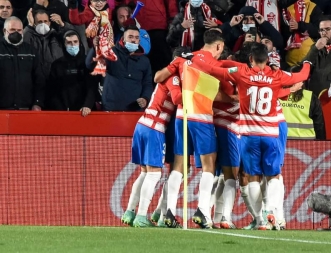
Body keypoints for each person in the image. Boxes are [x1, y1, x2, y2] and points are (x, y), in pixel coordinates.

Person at [191, 43, 311, 230]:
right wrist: (308, 63)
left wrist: (194, 59)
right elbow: (302, 76)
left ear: (250, 59)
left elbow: (213, 69)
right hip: (271, 133)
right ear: (268, 60)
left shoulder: (241, 73)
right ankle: (272, 211)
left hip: (248, 135)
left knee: (252, 177)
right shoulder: (276, 75)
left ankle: (263, 220)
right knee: (273, 176)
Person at [154, 29, 226, 229]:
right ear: (218, 46)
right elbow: (220, 93)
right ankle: (203, 212)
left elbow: (159, 77)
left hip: (181, 116)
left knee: (179, 164)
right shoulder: (214, 63)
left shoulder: (183, 59)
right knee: (208, 164)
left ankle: (168, 212)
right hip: (201, 116)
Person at [120, 46, 185, 228]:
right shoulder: (174, 78)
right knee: (154, 174)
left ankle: (130, 212)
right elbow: (178, 98)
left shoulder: (165, 76)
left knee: (144, 173)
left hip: (143, 124)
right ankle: (141, 216)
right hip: (154, 128)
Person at [86, 25, 153, 111]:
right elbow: (90, 65)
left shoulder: (145, 61)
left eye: (136, 38)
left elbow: (147, 83)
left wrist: (145, 98)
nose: (133, 40)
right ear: (123, 39)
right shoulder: (111, 53)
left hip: (134, 111)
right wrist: (94, 49)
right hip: (111, 109)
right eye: (130, 37)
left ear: (139, 41)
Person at [46, 30, 96, 115]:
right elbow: (53, 90)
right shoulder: (56, 65)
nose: (73, 45)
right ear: (64, 45)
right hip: (63, 113)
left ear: (80, 43)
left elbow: (92, 87)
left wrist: (87, 105)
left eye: (75, 42)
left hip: (86, 111)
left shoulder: (88, 62)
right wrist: (60, 110)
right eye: (69, 42)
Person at [0, 16, 45, 110]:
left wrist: (38, 102)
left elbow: (39, 79)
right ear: (4, 31)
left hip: (25, 108)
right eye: (12, 29)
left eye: (19, 30)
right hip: (2, 108)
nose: (16, 33)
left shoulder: (31, 51)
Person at [24, 9, 70, 80]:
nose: (43, 24)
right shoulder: (30, 36)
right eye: (39, 22)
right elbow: (23, 43)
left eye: (45, 21)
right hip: (37, 80)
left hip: (57, 79)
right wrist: (29, 26)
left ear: (49, 23)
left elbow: (71, 37)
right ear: (34, 24)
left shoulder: (56, 35)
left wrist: (62, 25)